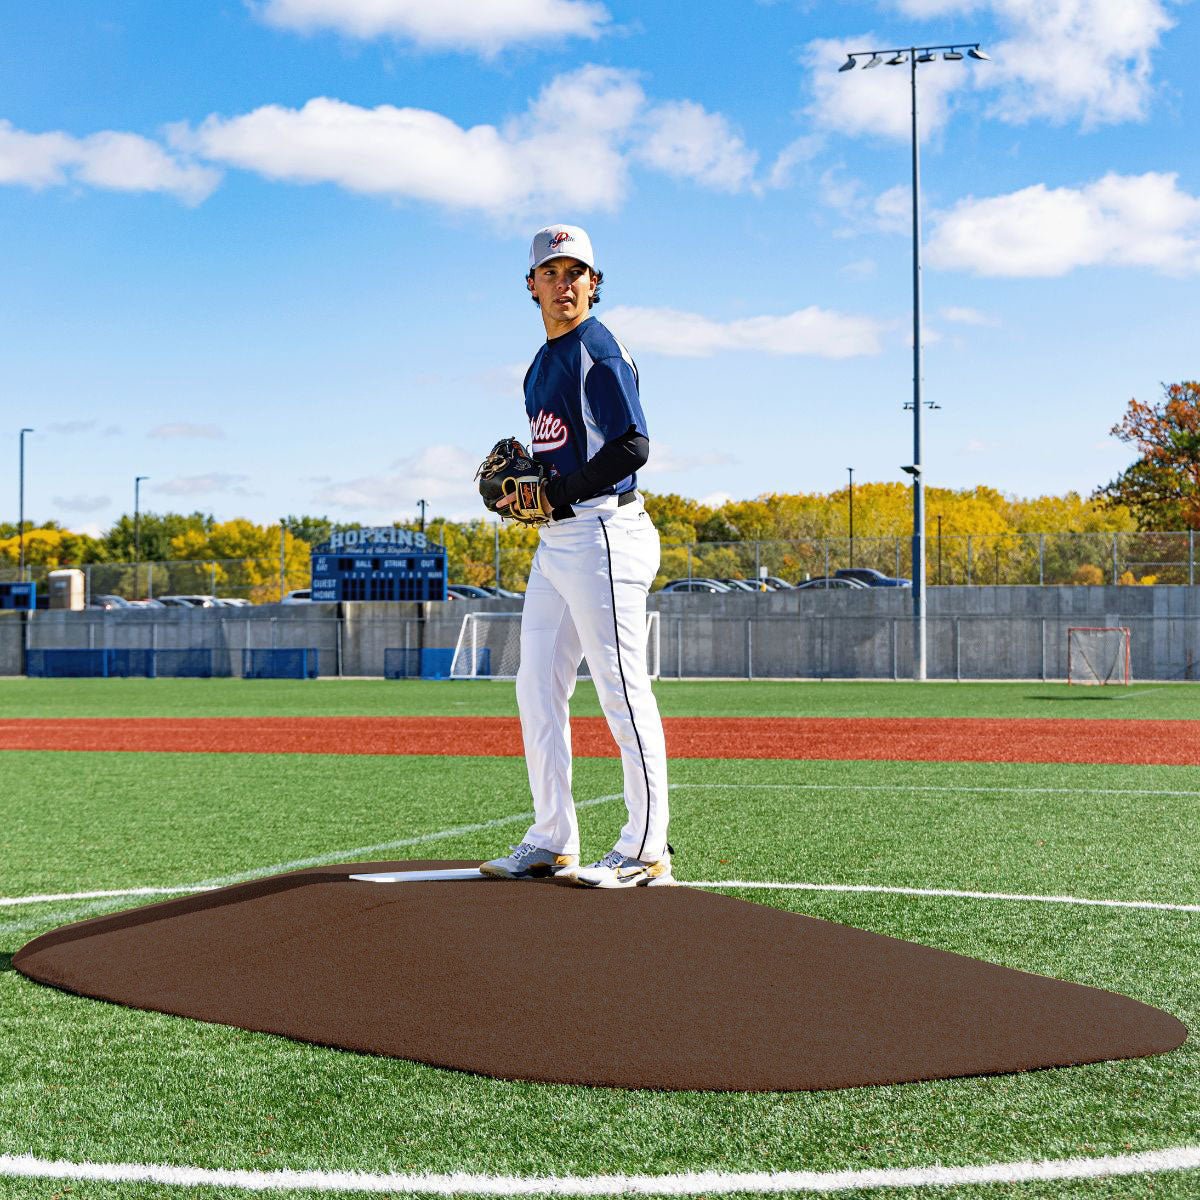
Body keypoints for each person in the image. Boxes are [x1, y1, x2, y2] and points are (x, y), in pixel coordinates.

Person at [480, 224, 672, 889]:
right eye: (551, 272)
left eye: (576, 273)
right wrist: (524, 490)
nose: (564, 284)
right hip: (559, 540)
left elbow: (630, 446)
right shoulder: (539, 364)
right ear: (530, 285)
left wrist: (557, 490)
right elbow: (562, 453)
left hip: (604, 534)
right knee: (534, 685)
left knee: (620, 689)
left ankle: (646, 848)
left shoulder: (599, 348)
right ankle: (553, 836)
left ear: (594, 283)